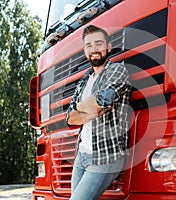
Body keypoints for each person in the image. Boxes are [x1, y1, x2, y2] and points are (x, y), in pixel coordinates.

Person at [66, 25, 131, 200]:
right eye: (88, 45)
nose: (93, 49)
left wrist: (82, 108)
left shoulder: (117, 71)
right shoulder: (84, 80)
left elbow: (103, 102)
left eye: (98, 44)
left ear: (108, 47)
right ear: (85, 51)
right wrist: (86, 108)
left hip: (106, 156)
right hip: (81, 155)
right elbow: (70, 118)